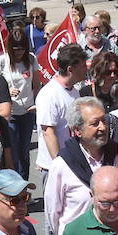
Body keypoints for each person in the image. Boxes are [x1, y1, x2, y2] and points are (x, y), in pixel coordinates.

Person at [43, 97, 115, 235]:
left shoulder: (117, 158)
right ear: (77, 131)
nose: (103, 127)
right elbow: (52, 213)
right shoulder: (62, 165)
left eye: (104, 120)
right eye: (95, 123)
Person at [35, 44, 90, 175]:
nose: (86, 68)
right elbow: (48, 132)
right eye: (83, 66)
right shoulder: (49, 94)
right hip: (55, 168)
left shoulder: (75, 92)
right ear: (71, 69)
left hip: (73, 163)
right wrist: (59, 164)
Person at [0, 30, 39, 177]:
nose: (19, 52)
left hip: (27, 112)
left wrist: (35, 102)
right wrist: (6, 91)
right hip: (9, 114)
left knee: (24, 152)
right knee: (11, 151)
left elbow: (36, 84)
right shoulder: (1, 61)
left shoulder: (31, 59)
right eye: (16, 49)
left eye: (22, 48)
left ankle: (24, 185)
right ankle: (13, 187)